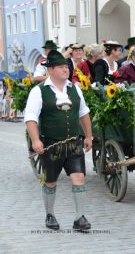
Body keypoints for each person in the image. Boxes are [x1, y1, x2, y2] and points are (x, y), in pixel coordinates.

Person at [24, 50, 93, 231]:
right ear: (51, 70)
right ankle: (50, 214)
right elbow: (30, 118)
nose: (66, 70)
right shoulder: (39, 92)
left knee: (79, 177)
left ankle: (80, 217)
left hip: (73, 143)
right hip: (50, 144)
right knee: (50, 181)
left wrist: (88, 136)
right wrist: (35, 140)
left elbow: (83, 113)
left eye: (66, 67)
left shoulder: (75, 88)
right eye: (61, 67)